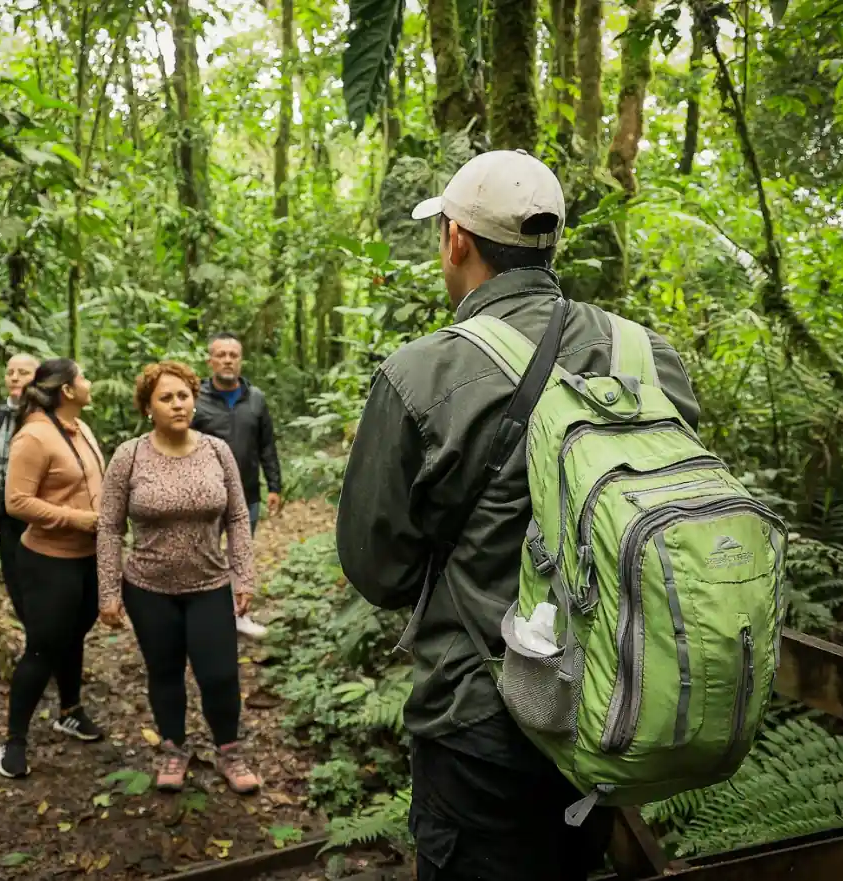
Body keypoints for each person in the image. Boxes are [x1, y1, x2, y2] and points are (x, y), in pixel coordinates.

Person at [334, 150, 701, 881]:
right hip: (615, 703)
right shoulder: (648, 353)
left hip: (479, 717)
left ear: (456, 239)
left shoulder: (422, 371)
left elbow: (377, 570)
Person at [97, 360, 261, 795]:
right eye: (165, 398)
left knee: (220, 674)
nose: (177, 404)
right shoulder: (129, 456)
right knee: (165, 672)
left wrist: (244, 575)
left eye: (183, 395)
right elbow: (110, 526)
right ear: (148, 407)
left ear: (194, 399)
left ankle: (229, 750)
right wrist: (108, 590)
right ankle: (174, 747)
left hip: (209, 584)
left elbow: (238, 516)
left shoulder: (216, 451)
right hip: (148, 588)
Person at [0, 358, 107, 779]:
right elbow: (16, 502)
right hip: (49, 561)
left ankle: (70, 711)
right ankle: (14, 740)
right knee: (43, 646)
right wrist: (77, 519)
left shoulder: (82, 428)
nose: (89, 381)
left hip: (89, 558)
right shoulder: (35, 437)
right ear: (67, 390)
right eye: (84, 376)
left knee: (73, 635)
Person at [190, 331, 282, 639]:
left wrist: (274, 486)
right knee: (206, 555)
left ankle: (239, 616)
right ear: (210, 361)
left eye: (234, 355)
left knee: (239, 555)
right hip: (205, 495)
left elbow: (266, 445)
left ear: (240, 360)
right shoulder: (195, 399)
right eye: (221, 355)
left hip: (248, 494)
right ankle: (206, 616)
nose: (228, 360)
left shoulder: (255, 398)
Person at [0, 353, 39, 618]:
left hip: (36, 516)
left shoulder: (43, 418)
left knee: (37, 584)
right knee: (14, 584)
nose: (14, 377)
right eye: (10, 372)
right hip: (5, 514)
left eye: (23, 372)